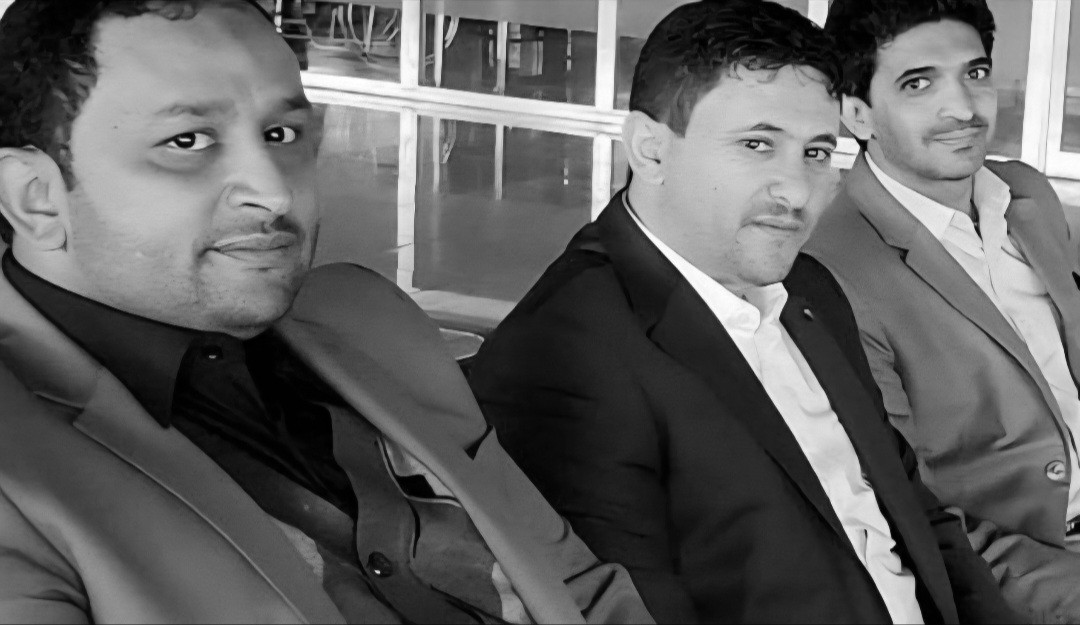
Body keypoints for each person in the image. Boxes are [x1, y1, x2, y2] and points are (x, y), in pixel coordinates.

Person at [0, 1, 652, 623]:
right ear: (34, 197)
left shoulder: (368, 320)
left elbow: (577, 588)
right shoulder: (19, 471)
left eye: (280, 134)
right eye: (188, 140)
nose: (273, 191)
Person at [467, 1, 1020, 623]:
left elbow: (916, 512)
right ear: (650, 150)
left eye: (817, 152)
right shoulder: (566, 357)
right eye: (757, 144)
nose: (797, 191)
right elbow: (627, 612)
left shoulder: (809, 290)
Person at [801, 1, 1080, 621]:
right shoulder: (829, 270)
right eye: (918, 84)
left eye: (975, 74)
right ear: (857, 114)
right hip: (1036, 566)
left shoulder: (1026, 193)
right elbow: (910, 513)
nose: (964, 108)